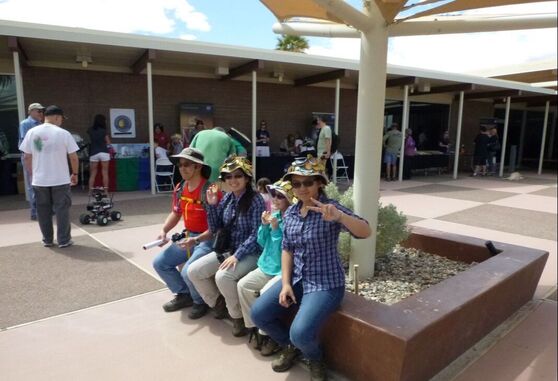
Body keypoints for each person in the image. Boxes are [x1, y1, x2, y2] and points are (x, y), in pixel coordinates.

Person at [251, 155, 371, 381]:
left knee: (301, 332)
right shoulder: (292, 214)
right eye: (296, 183)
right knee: (259, 314)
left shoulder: (330, 208)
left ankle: (315, 358)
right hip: (296, 279)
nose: (302, 188)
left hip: (326, 283)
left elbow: (365, 231)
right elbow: (287, 249)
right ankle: (291, 346)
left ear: (319, 183)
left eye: (308, 182)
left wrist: (341, 217)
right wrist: (285, 284)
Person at [187, 156, 265, 337]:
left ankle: (237, 316)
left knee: (223, 277)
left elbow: (257, 234)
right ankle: (218, 303)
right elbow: (215, 229)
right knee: (194, 271)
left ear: (247, 178)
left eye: (237, 176)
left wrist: (237, 255)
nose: (233, 180)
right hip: (228, 250)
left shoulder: (256, 200)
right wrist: (212, 205)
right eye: (228, 177)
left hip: (251, 252)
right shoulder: (228, 198)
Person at [152, 148, 221, 317]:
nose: (182, 168)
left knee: (187, 271)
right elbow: (176, 212)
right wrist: (164, 230)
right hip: (188, 236)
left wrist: (197, 239)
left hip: (208, 238)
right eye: (180, 164)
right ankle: (184, 294)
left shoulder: (210, 190)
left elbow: (218, 225)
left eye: (186, 165)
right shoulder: (180, 187)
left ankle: (199, 302)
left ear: (198, 166)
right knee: (160, 263)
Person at [238, 180, 295, 357]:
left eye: (280, 196)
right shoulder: (274, 216)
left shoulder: (292, 220)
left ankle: (267, 334)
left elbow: (284, 250)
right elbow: (262, 242)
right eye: (273, 195)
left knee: (264, 294)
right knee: (243, 286)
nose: (275, 199)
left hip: (282, 270)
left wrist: (276, 230)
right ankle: (254, 327)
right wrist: (264, 225)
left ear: (289, 199)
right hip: (266, 265)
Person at [19, 105, 79, 248]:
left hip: (39, 180)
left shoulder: (32, 132)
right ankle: (64, 240)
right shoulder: (64, 133)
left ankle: (47, 240)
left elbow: (27, 156)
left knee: (43, 210)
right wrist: (75, 173)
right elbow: (74, 157)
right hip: (60, 179)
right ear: (57, 117)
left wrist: (32, 173)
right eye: (61, 119)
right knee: (62, 209)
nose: (61, 122)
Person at [19, 102, 45, 220]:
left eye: (41, 111)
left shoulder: (41, 124)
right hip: (30, 156)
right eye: (38, 111)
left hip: (39, 156)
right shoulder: (25, 124)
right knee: (32, 183)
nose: (41, 113)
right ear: (30, 111)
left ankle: (43, 209)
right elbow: (27, 142)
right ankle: (35, 212)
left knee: (41, 183)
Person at [87, 114, 111, 192]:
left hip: (93, 152)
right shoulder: (104, 131)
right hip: (104, 152)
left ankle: (90, 192)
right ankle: (106, 192)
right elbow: (108, 142)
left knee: (93, 173)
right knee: (105, 172)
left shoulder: (90, 130)